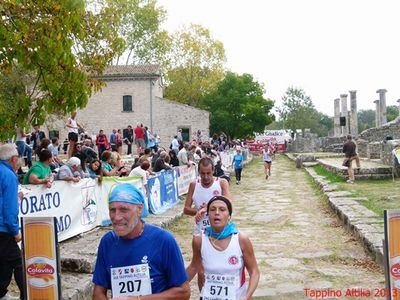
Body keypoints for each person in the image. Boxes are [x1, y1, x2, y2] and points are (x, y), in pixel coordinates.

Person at [92, 183, 190, 299]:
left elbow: (184, 292)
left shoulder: (163, 240)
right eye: (112, 210)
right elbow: (98, 292)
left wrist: (139, 299)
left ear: (139, 209)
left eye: (124, 210)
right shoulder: (107, 242)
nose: (117, 217)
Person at [186, 196, 260, 300]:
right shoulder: (199, 240)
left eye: (222, 209)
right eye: (212, 209)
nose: (217, 212)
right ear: (208, 215)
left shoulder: (241, 239)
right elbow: (194, 266)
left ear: (229, 216)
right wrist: (176, 287)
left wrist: (246, 296)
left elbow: (254, 271)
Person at [0, 144, 24, 300]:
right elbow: (9, 209)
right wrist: (15, 231)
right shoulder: (8, 175)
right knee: (18, 263)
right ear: (13, 159)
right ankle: (28, 294)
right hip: (4, 228)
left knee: (4, 262)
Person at [184, 157, 231, 236]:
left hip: (220, 231)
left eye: (208, 173)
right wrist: (199, 211)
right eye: (203, 173)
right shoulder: (194, 185)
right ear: (198, 172)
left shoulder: (221, 183)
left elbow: (228, 202)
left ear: (213, 170)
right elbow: (186, 209)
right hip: (200, 230)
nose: (206, 177)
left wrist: (209, 208)